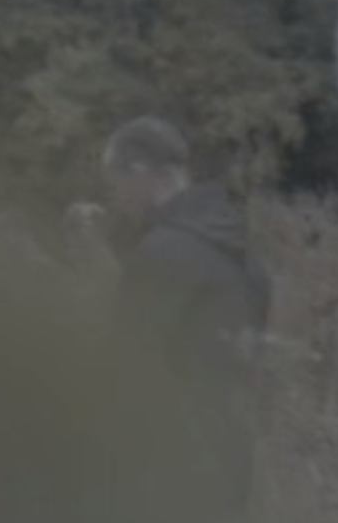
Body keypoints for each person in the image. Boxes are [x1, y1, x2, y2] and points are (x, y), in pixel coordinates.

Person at [86, 117, 269, 376]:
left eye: (115, 184)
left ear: (139, 174)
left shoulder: (162, 253)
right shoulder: (243, 251)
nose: (117, 199)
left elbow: (123, 367)